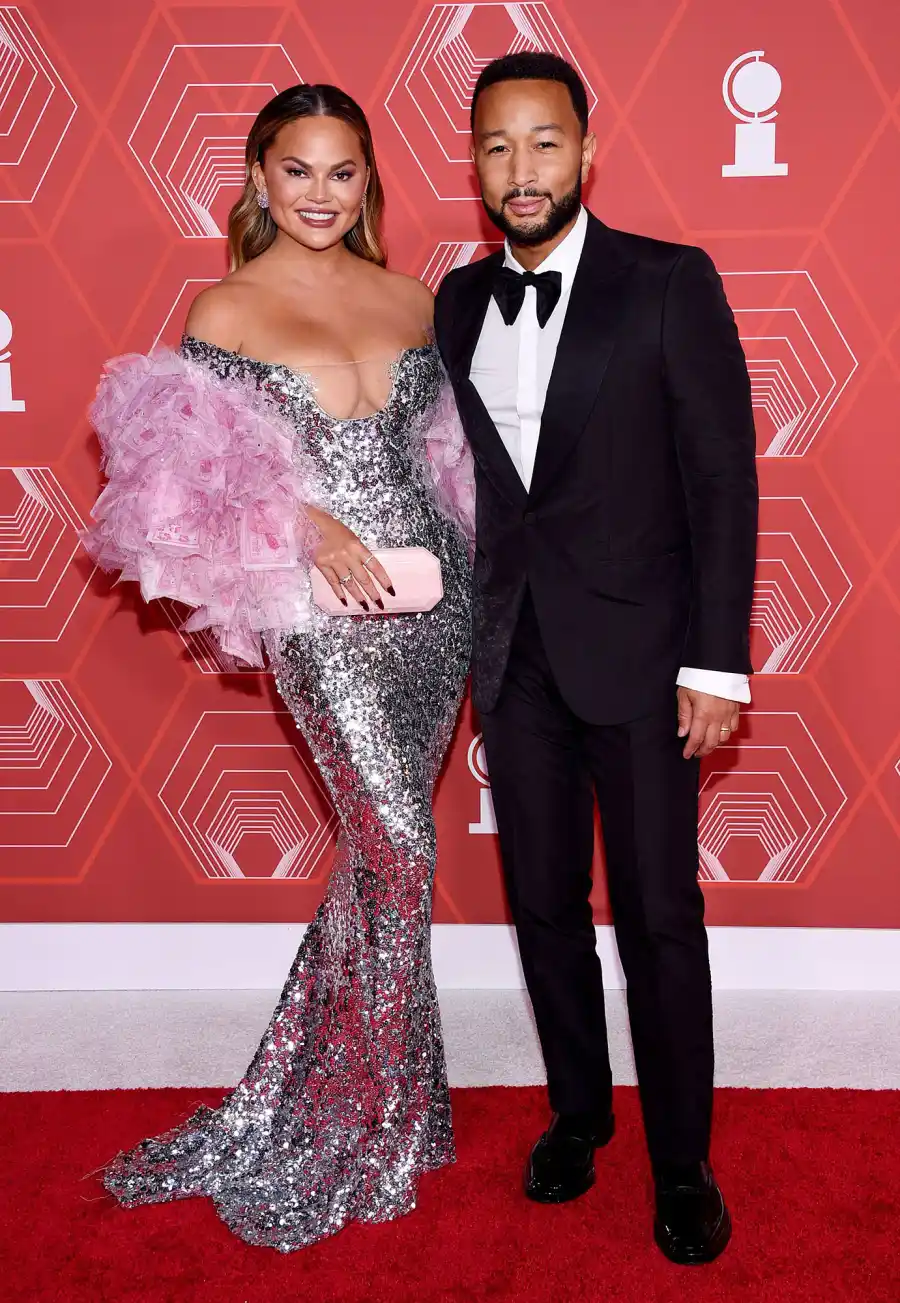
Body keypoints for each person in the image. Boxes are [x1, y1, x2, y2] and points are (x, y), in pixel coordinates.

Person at [82, 83, 475, 1252]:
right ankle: (355, 1116)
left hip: (431, 594)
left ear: (369, 182)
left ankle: (408, 1097)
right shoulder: (228, 307)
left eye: (341, 171)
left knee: (377, 852)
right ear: (258, 179)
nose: (318, 193)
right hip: (317, 601)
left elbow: (451, 455)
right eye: (295, 171)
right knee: (402, 846)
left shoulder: (414, 298)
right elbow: (193, 474)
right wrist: (314, 526)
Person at [433, 52, 758, 1265]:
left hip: (648, 656)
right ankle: (580, 1113)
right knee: (542, 909)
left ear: (587, 149)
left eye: (545, 143)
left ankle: (684, 1162)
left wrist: (716, 665)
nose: (522, 170)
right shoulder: (457, 304)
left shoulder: (668, 283)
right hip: (513, 658)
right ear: (474, 164)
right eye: (498, 148)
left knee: (661, 919)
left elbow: (723, 482)